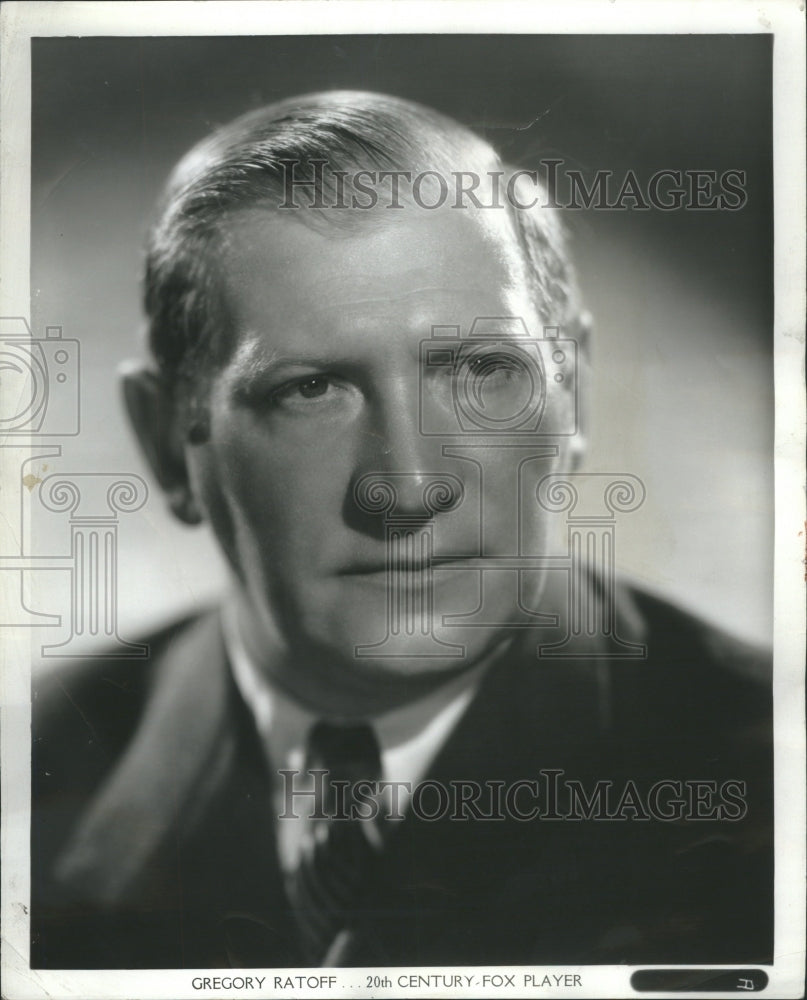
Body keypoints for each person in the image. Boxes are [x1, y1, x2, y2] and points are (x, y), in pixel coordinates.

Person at [31, 91, 772, 970]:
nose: (409, 485)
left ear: (570, 388)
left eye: (480, 370)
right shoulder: (32, 780)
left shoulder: (772, 783)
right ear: (166, 440)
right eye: (309, 390)